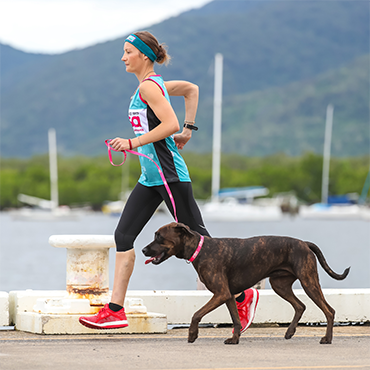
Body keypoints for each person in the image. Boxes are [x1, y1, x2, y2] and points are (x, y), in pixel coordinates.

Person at [79, 31, 259, 333]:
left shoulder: (150, 88)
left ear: (144, 56)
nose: (123, 58)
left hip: (170, 176)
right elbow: (191, 89)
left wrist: (135, 142)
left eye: (127, 52)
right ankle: (114, 311)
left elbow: (169, 124)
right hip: (150, 177)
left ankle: (243, 295)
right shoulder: (152, 86)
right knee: (123, 237)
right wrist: (189, 130)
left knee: (202, 243)